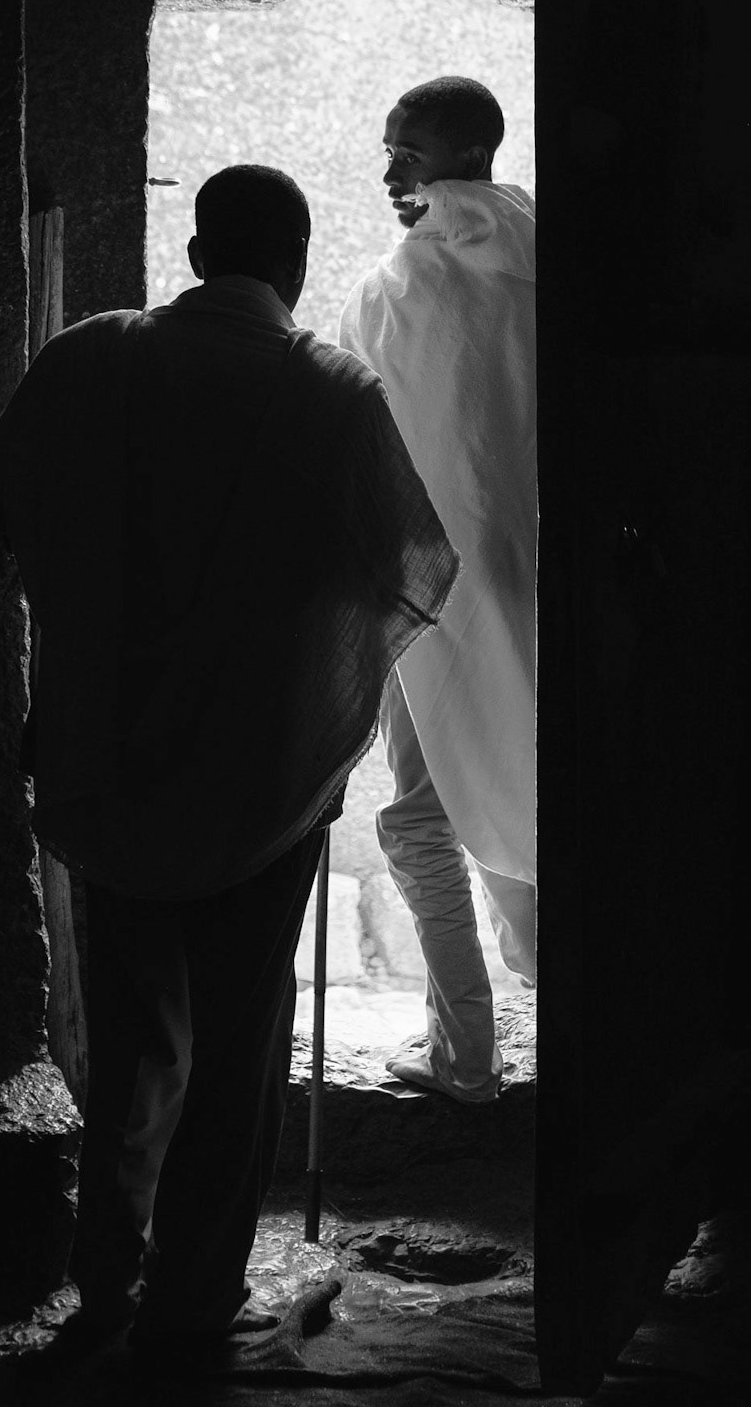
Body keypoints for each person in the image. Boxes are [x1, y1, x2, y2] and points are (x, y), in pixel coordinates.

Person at [0, 165, 458, 1382]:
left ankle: (105, 1280)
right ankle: (194, 1300)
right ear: (294, 261)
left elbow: (12, 506)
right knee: (237, 1043)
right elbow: (409, 563)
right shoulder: (334, 397)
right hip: (258, 784)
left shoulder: (87, 362)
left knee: (130, 1038)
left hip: (105, 758)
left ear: (197, 252)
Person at [338, 77, 536, 1105]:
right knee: (526, 782)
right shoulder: (544, 259)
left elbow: (374, 453)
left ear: (463, 150)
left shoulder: (398, 294)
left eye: (406, 154)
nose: (387, 173)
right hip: (536, 585)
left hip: (435, 593)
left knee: (420, 816)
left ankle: (464, 1055)